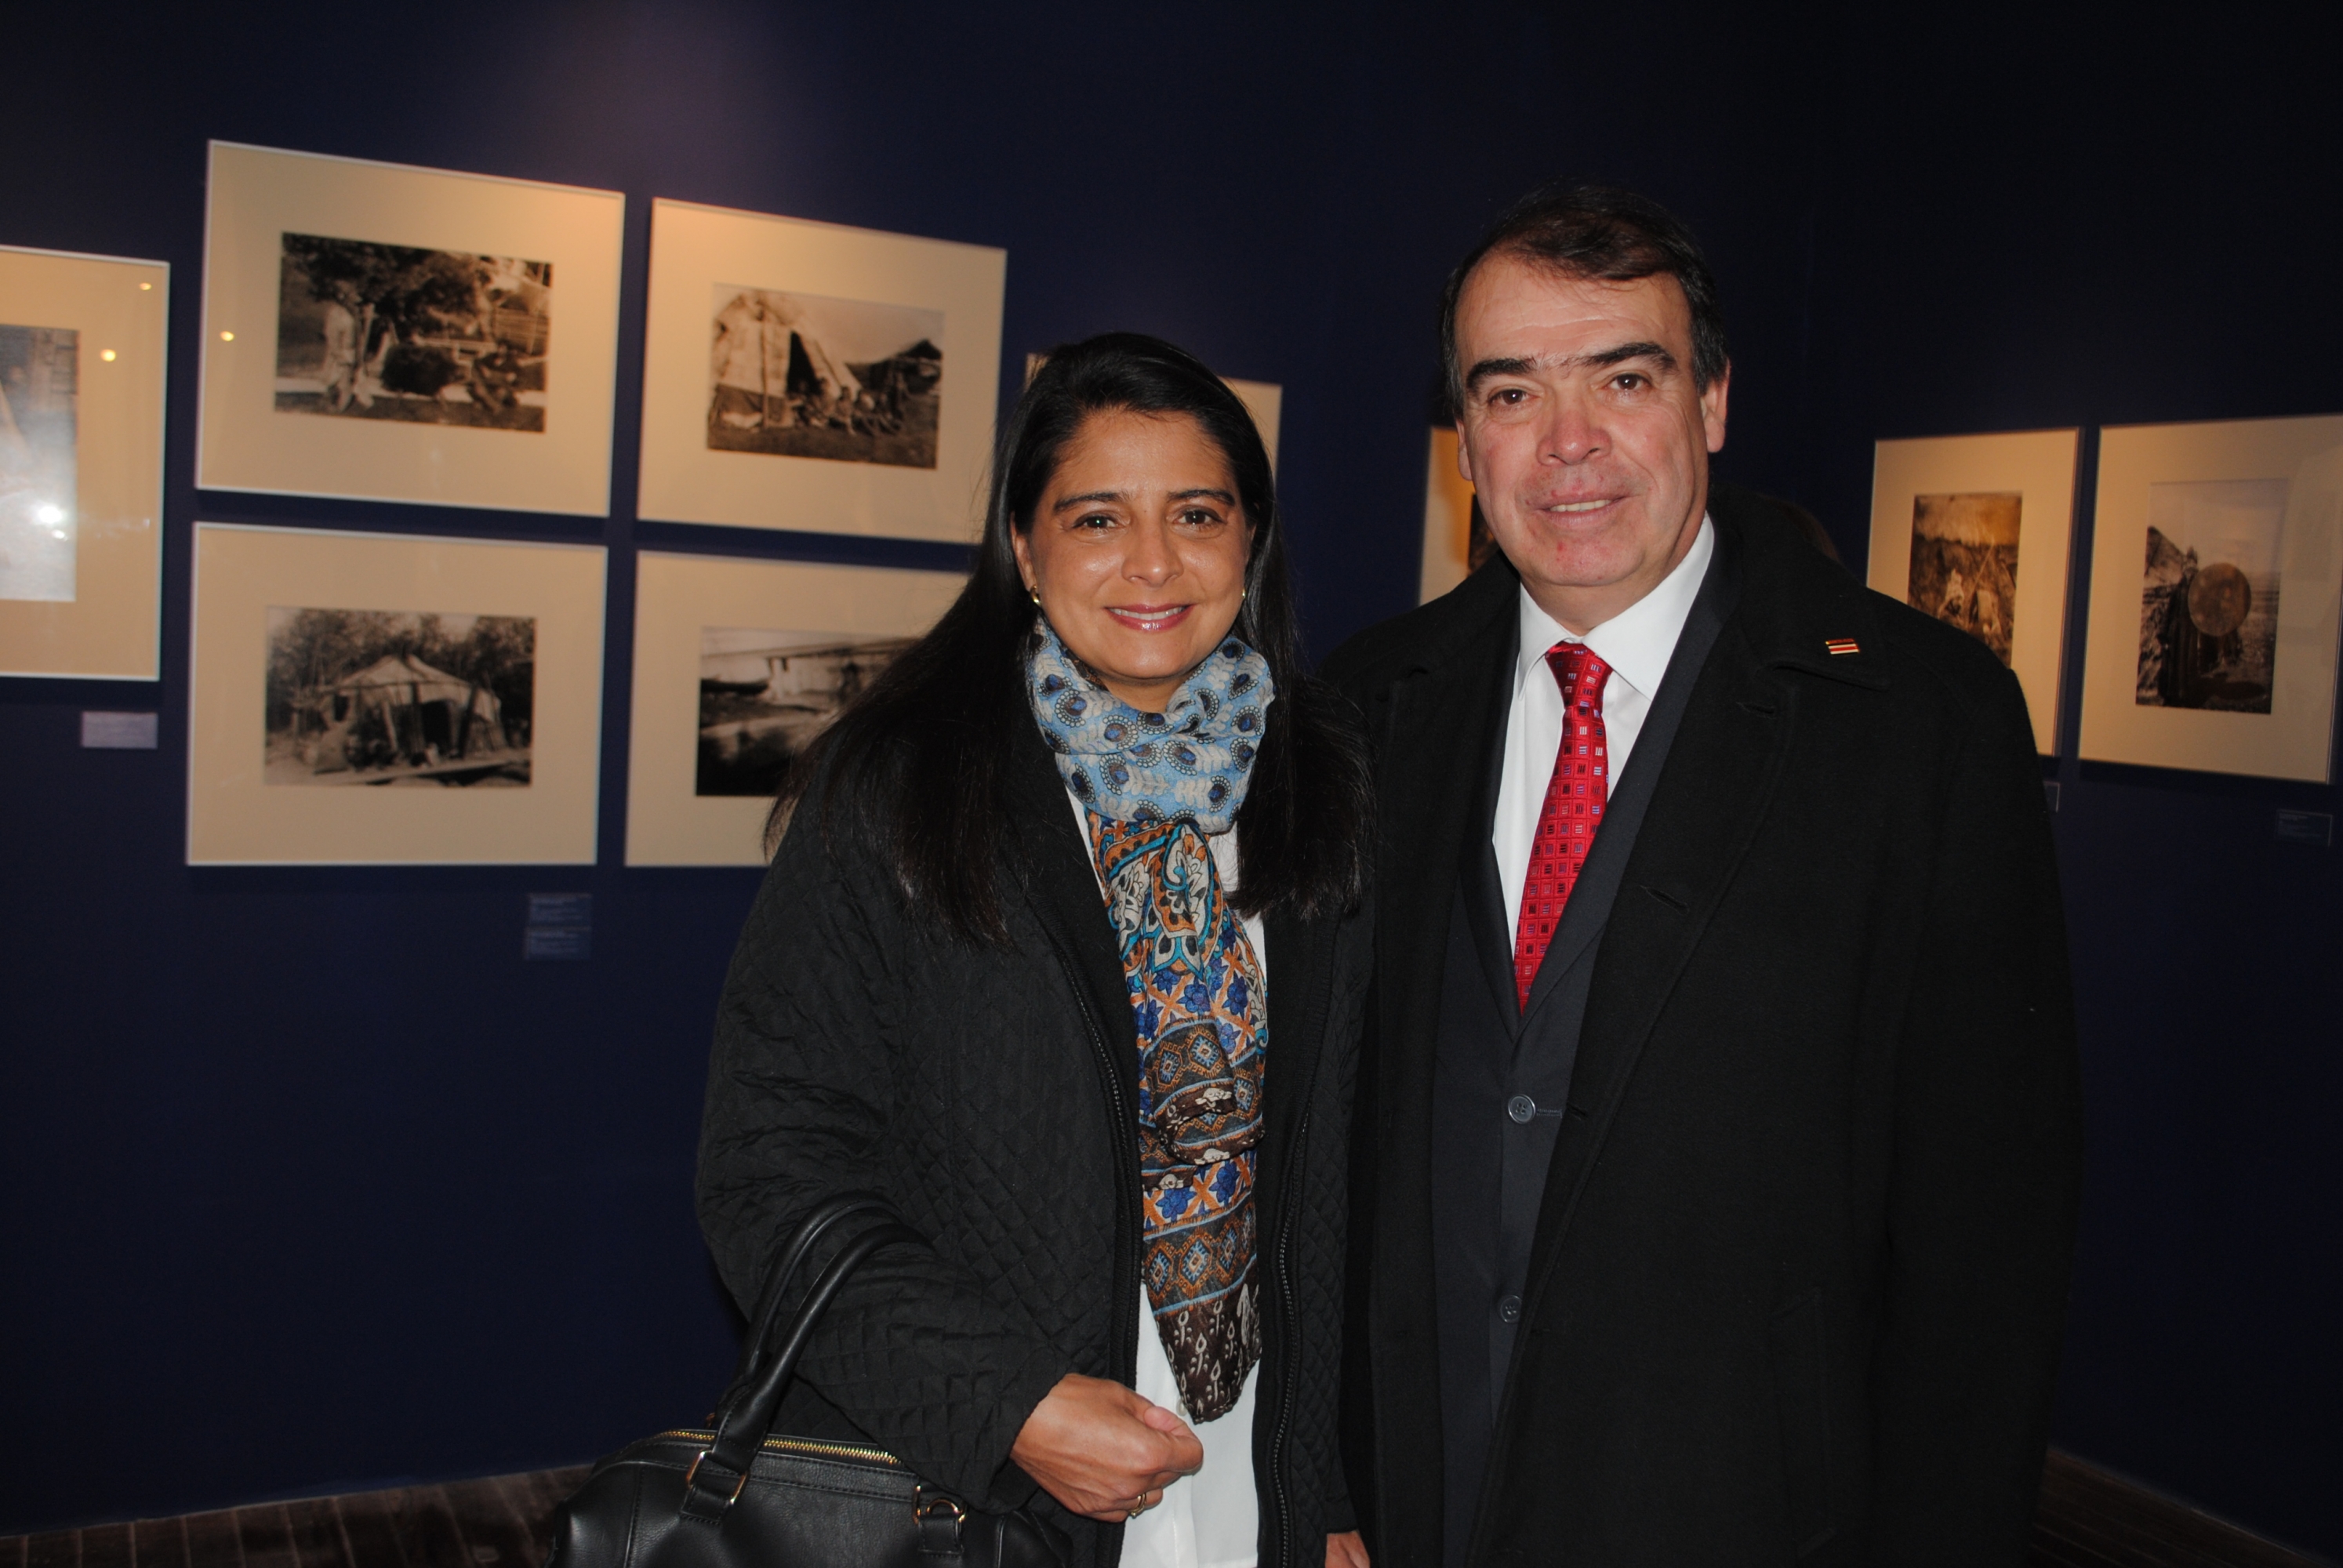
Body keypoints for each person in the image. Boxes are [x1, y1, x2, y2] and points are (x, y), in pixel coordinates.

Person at [1324, 185, 2083, 1564]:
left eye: (1625, 377)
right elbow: (1315, 1153)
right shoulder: (1369, 704)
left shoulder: (1921, 721)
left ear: (1714, 401)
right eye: (1511, 393)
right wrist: (1316, 1489)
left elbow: (1989, 1241)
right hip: (1412, 1506)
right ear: (1463, 443)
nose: (1569, 444)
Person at [699, 333, 1376, 1568]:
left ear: (1251, 540)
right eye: (1098, 518)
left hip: (1241, 1462)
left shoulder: (1326, 785)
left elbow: (1332, 1183)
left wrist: (1320, 1483)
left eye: (1198, 514)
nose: (1155, 563)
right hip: (979, 1479)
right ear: (1025, 547)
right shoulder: (901, 788)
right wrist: (1009, 1400)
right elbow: (765, 1169)